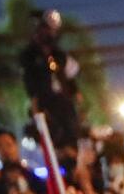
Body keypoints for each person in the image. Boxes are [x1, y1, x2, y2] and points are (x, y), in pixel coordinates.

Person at [19, 9, 83, 155]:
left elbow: (71, 77)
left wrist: (77, 97)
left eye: (53, 30)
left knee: (72, 136)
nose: (50, 34)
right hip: (45, 106)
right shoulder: (29, 57)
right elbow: (31, 86)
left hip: (65, 106)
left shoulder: (59, 55)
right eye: (46, 29)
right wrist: (37, 112)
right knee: (52, 140)